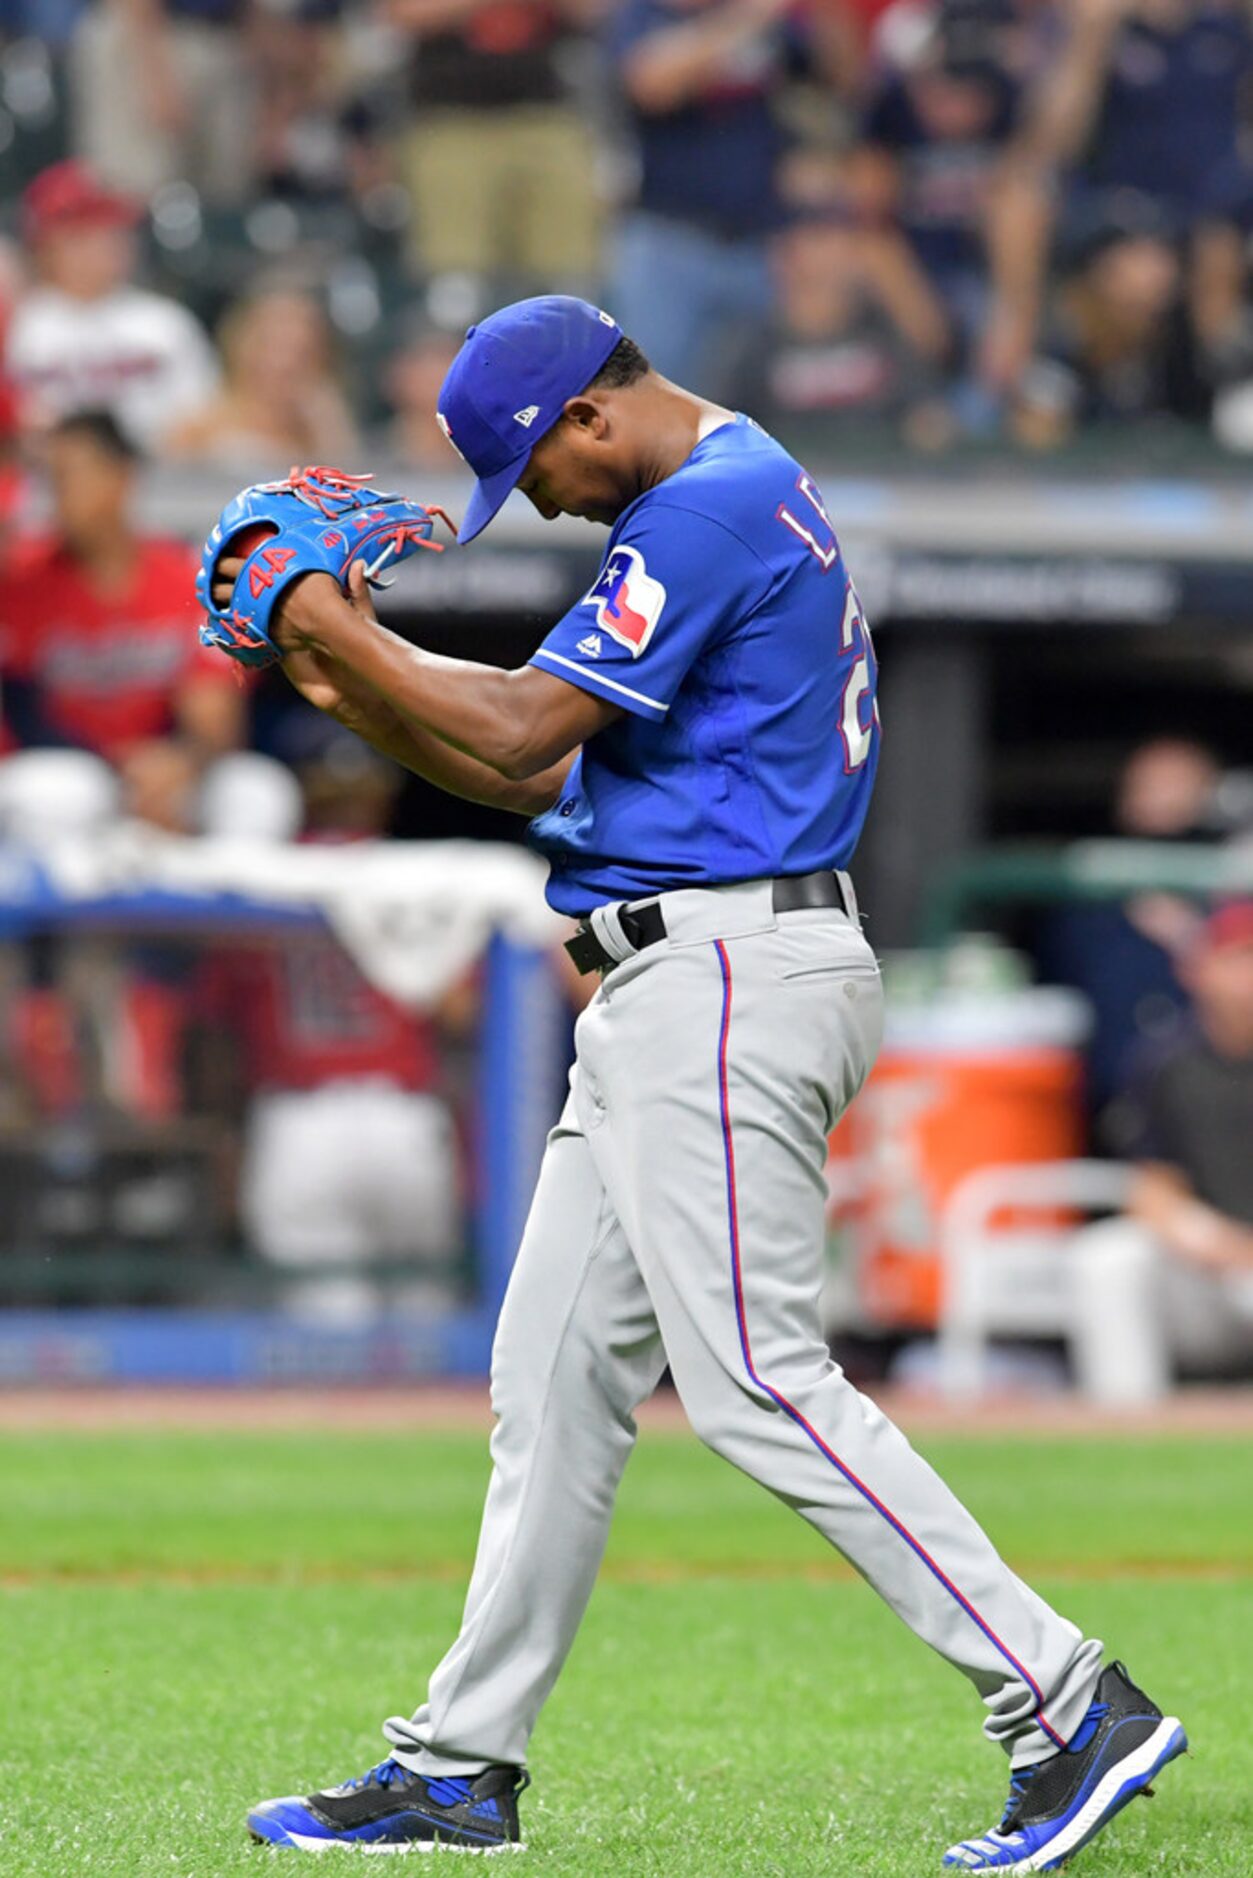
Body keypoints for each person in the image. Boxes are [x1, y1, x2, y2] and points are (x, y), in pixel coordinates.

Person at [215, 295, 1186, 1865]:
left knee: (752, 1377)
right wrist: (338, 669)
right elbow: (509, 761)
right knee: (550, 1377)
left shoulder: (710, 509)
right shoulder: (723, 490)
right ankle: (459, 1765)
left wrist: (334, 623)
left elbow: (523, 724)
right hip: (682, 978)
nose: (533, 501)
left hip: (730, 976)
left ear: (592, 415)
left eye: (533, 466)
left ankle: (1069, 1702)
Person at [1071, 899, 1253, 1398]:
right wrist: (1222, 1245)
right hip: (1213, 1275)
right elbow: (1151, 1191)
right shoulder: (1166, 1062)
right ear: (1198, 969)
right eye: (1237, 958)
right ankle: (1129, 1434)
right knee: (1109, 1257)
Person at [2, 409, 244, 762]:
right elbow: (22, 716)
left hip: (161, 767)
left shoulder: (184, 575)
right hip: (70, 766)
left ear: (121, 477)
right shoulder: (26, 581)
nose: (58, 494)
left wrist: (181, 763)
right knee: (52, 788)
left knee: (254, 786)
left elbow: (213, 717)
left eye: (69, 476)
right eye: (52, 479)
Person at [3, 160, 220, 452]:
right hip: (42, 486)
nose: (106, 243)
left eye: (114, 228)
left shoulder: (167, 323)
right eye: (83, 233)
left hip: (158, 483)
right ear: (45, 244)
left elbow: (206, 419)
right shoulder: (15, 325)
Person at [165, 284, 360, 474]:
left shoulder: (320, 430)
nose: (283, 363)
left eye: (302, 353)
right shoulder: (199, 427)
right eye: (271, 347)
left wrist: (326, 420)